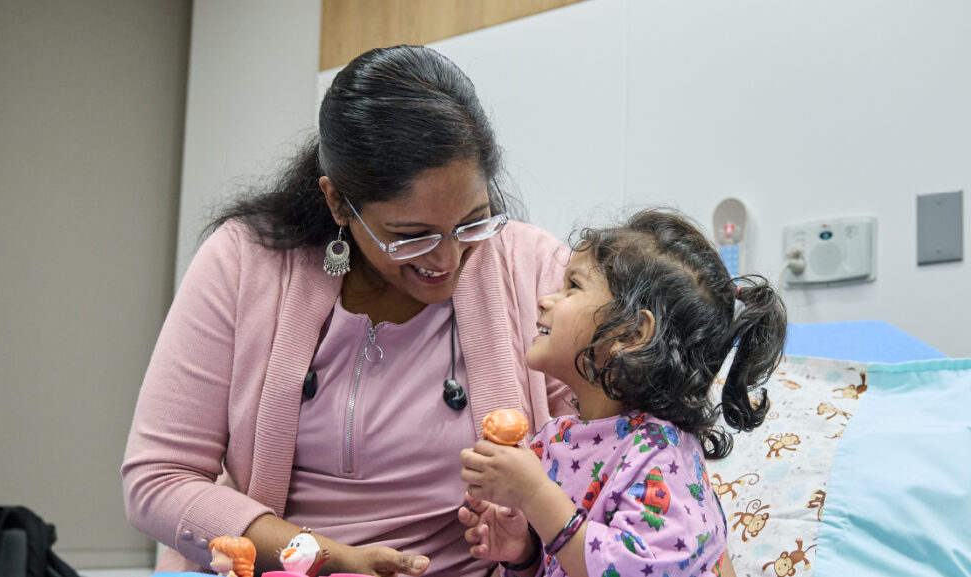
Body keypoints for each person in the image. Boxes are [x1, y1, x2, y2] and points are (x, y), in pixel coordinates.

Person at [122, 45, 572, 577]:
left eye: (472, 222)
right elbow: (159, 480)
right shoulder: (246, 261)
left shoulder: (535, 267)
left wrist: (523, 552)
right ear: (338, 202)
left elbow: (603, 474)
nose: (448, 259)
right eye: (411, 235)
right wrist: (329, 560)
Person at [458, 209, 787, 577]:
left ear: (632, 334)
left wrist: (535, 496)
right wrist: (523, 553)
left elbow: (632, 569)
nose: (545, 300)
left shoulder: (661, 455)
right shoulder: (554, 441)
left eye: (573, 286)